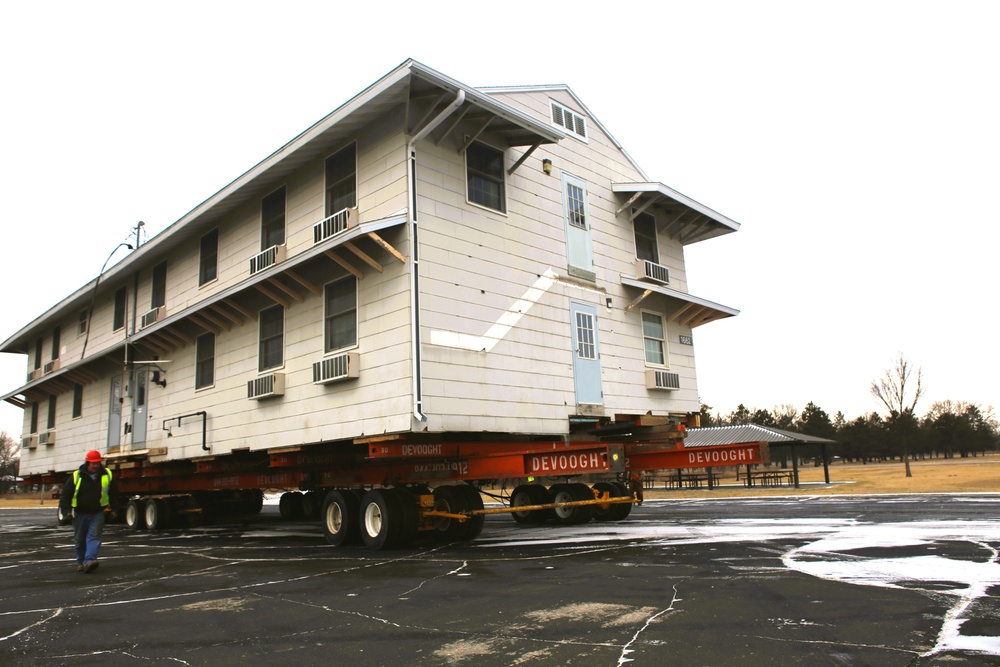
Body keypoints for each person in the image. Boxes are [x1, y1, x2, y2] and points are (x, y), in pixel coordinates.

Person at [59, 450, 118, 573]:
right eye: (93, 463)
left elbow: (114, 494)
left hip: (97, 513)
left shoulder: (107, 475)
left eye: (97, 463)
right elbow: (65, 495)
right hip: (80, 513)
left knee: (94, 537)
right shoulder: (77, 476)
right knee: (80, 540)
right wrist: (66, 512)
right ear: (87, 463)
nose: (95, 465)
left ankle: (90, 561)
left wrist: (114, 510)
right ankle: (81, 561)